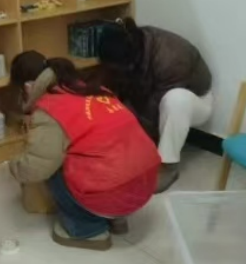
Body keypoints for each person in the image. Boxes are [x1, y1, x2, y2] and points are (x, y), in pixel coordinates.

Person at [9, 51, 161, 251]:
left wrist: (14, 167)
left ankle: (87, 230)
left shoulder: (51, 108)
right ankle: (116, 218)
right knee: (96, 151)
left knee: (54, 163)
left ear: (28, 87)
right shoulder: (95, 90)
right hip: (145, 183)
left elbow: (38, 166)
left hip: (111, 192)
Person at [97, 18, 213, 193]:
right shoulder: (127, 47)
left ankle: (169, 166)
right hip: (151, 96)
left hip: (195, 100)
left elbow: (154, 112)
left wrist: (137, 150)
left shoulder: (172, 57)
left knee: (175, 100)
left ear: (132, 56)